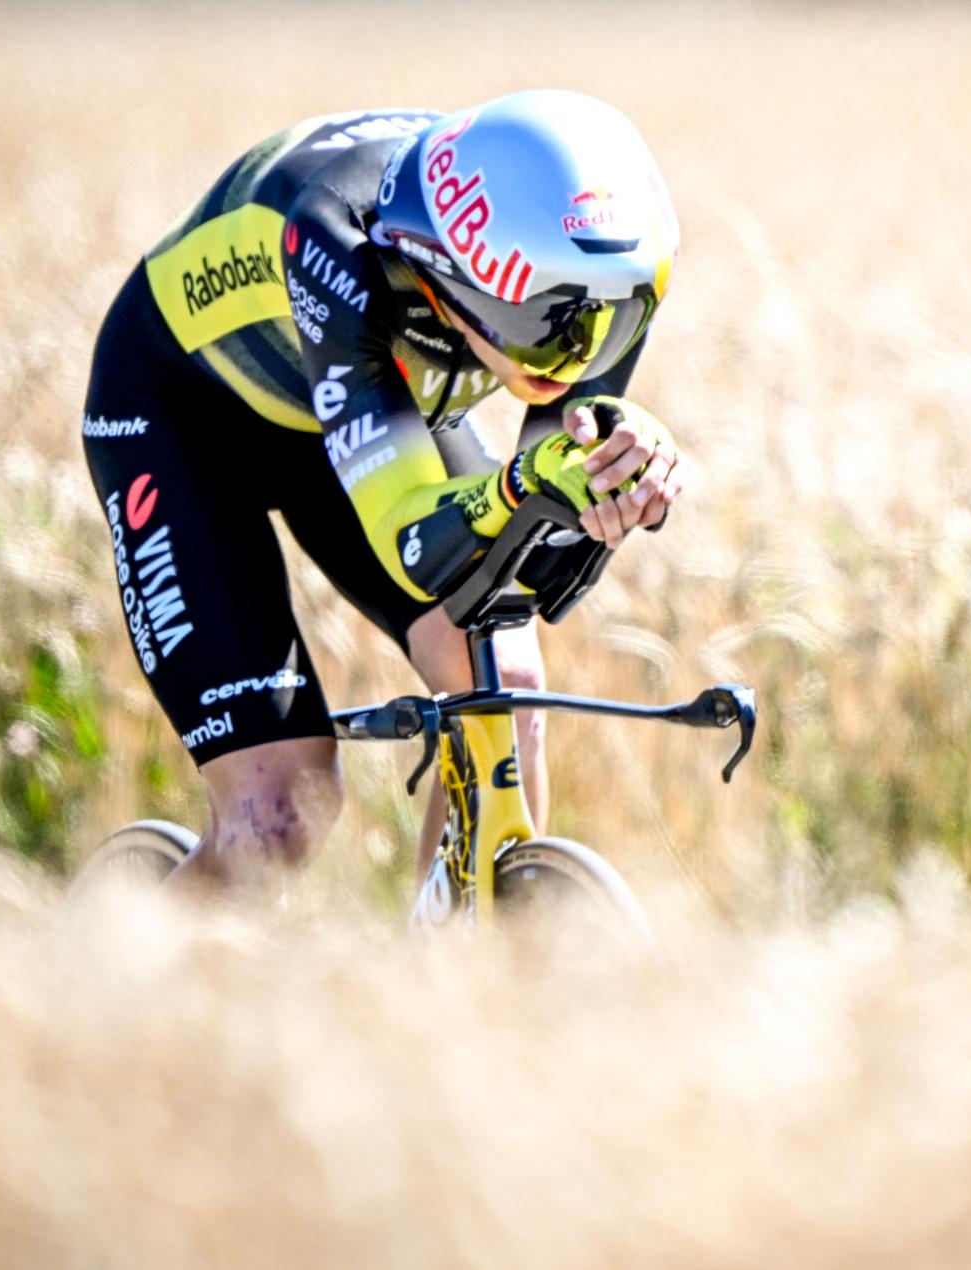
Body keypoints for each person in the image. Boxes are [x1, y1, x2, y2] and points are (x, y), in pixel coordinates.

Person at [79, 90, 684, 896]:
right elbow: (416, 545)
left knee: (503, 678)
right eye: (545, 321)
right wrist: (526, 486)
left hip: (361, 396)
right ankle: (109, 996)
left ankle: (450, 979)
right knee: (278, 813)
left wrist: (610, 481)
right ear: (447, 274)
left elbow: (535, 569)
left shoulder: (587, 279)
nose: (578, 351)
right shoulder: (338, 236)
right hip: (185, 418)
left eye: (614, 317)